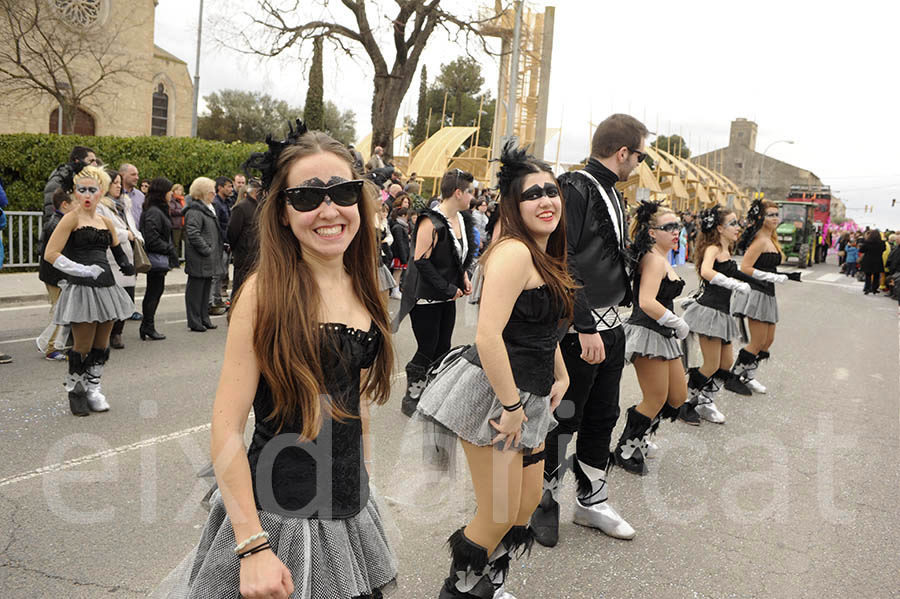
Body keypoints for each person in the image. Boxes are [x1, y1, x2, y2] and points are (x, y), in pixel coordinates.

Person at [152, 121, 397, 599]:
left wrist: (365, 475)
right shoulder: (263, 295)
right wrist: (252, 547)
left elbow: (356, 404)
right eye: (307, 197)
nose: (329, 209)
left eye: (343, 192)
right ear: (283, 213)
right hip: (281, 522)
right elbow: (226, 428)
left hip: (351, 510)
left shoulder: (368, 288)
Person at [416, 142, 572, 599]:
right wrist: (511, 407)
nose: (546, 200)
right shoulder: (514, 254)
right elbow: (489, 336)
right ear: (512, 204)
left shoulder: (545, 254)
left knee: (523, 508)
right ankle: (459, 590)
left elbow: (544, 327)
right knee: (500, 510)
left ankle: (487, 582)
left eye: (551, 191)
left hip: (532, 396)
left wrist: (560, 375)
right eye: (533, 194)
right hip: (497, 396)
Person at [530, 114, 648, 547]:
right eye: (638, 155)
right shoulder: (574, 186)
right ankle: (543, 499)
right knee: (565, 416)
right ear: (622, 153)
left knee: (604, 415)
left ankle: (590, 499)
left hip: (612, 327)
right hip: (583, 330)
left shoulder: (612, 191)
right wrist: (584, 327)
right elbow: (566, 259)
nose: (638, 163)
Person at [42, 165, 135, 415]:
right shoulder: (71, 218)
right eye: (81, 189)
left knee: (101, 344)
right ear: (74, 192)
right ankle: (76, 390)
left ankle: (94, 388)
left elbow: (116, 247)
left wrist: (126, 265)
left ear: (100, 192)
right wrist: (81, 270)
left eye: (92, 190)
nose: (86, 195)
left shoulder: (105, 220)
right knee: (82, 345)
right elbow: (51, 254)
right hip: (82, 288)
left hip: (106, 288)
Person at [392, 167, 476, 417]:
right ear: (458, 193)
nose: (472, 196)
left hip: (447, 296)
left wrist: (463, 276)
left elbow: (457, 255)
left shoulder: (461, 219)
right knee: (427, 347)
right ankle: (412, 396)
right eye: (470, 192)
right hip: (426, 296)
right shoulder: (431, 220)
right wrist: (448, 288)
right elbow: (421, 261)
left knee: (443, 347)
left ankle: (432, 394)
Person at [615, 202, 688, 475]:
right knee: (656, 398)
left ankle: (640, 435)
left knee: (678, 396)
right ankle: (627, 447)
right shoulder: (654, 259)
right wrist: (676, 321)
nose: (676, 231)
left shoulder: (662, 257)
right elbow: (645, 302)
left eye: (677, 226)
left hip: (663, 334)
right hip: (648, 332)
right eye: (668, 227)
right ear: (652, 232)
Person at [679, 205, 755, 425]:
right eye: (732, 223)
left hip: (722, 313)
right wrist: (732, 282)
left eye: (737, 223)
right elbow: (706, 271)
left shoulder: (727, 250)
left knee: (726, 364)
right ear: (720, 228)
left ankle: (705, 401)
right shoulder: (713, 248)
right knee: (711, 364)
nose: (737, 227)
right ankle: (687, 403)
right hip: (709, 312)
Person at [730, 200, 802, 394]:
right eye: (770, 214)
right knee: (757, 341)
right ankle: (734, 377)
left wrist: (775, 278)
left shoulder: (771, 239)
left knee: (767, 341)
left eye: (776, 214)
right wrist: (772, 276)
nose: (775, 218)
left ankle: (748, 375)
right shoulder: (760, 240)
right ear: (760, 217)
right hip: (756, 292)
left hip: (768, 292)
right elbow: (745, 268)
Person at [97, 171, 138, 350]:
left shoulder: (124, 205)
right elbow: (105, 228)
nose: (118, 186)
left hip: (127, 254)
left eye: (119, 183)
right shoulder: (100, 206)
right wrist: (125, 235)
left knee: (127, 296)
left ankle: (118, 332)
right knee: (111, 299)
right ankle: (109, 333)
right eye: (114, 183)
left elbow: (132, 226)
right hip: (111, 256)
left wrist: (136, 236)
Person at [36, 188, 75, 360]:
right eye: (74, 204)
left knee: (60, 309)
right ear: (65, 204)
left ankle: (53, 344)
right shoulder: (58, 224)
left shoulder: (55, 220)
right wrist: (64, 276)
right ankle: (51, 347)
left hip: (52, 274)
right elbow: (56, 254)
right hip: (56, 276)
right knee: (59, 311)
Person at [138, 178, 179, 341]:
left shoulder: (157, 209)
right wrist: (169, 249)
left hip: (159, 258)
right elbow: (152, 238)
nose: (171, 194)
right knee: (153, 293)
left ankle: (147, 326)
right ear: (163, 193)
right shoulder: (155, 211)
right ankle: (148, 326)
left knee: (155, 292)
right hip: (156, 259)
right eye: (169, 191)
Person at [182, 177, 224, 332]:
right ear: (201, 193)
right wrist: (207, 249)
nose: (213, 193)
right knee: (195, 291)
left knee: (205, 290)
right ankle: (194, 321)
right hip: (200, 258)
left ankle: (204, 318)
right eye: (210, 191)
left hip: (207, 258)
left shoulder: (206, 208)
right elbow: (193, 234)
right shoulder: (194, 211)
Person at [226, 177, 263, 300]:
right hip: (244, 256)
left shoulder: (260, 207)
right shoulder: (241, 207)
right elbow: (232, 233)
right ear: (255, 192)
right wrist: (238, 248)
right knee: (240, 289)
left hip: (257, 255)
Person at [42, 146, 97, 218]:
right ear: (77, 161)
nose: (95, 164)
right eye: (91, 161)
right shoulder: (60, 178)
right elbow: (51, 209)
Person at [210, 176, 234, 313]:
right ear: (220, 188)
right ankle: (213, 300)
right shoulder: (217, 204)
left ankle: (217, 299)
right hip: (219, 243)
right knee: (216, 274)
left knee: (222, 272)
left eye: (231, 186)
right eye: (228, 186)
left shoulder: (227, 202)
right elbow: (218, 225)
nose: (231, 189)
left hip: (226, 243)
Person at [389, 206, 410, 299]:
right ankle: (395, 290)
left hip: (401, 254)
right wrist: (403, 256)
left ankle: (396, 290)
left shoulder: (399, 226)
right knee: (397, 273)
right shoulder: (398, 227)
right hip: (399, 254)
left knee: (398, 273)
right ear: (403, 215)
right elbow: (400, 243)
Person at [859, 229, 886, 295]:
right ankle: (875, 289)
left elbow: (861, 250)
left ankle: (867, 288)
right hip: (878, 260)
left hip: (868, 260)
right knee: (876, 275)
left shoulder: (867, 242)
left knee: (868, 275)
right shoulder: (882, 243)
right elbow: (883, 249)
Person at [169, 183, 186, 259]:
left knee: (185, 242)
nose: (179, 192)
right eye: (177, 190)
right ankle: (174, 260)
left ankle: (183, 258)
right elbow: (172, 211)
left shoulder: (183, 200)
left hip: (183, 224)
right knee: (175, 243)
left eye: (180, 190)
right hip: (175, 224)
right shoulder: (172, 200)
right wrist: (183, 211)